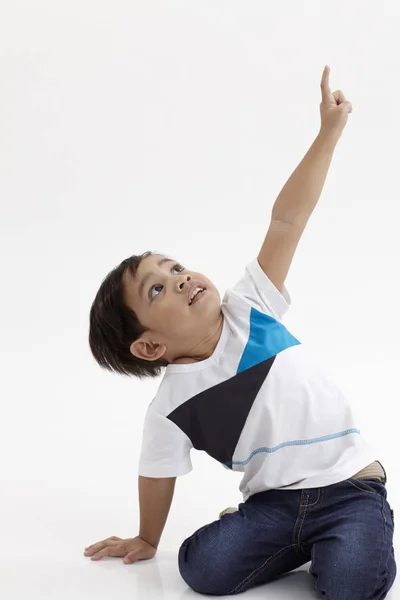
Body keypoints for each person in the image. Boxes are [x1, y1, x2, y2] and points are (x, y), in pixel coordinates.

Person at [84, 66, 396, 598]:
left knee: (351, 585)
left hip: (349, 489)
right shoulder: (170, 408)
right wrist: (145, 537)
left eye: (175, 267)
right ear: (151, 346)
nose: (180, 278)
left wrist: (327, 135)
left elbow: (286, 222)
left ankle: (340, 543)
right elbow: (156, 472)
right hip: (273, 505)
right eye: (157, 290)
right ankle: (289, 541)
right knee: (201, 570)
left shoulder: (250, 307)